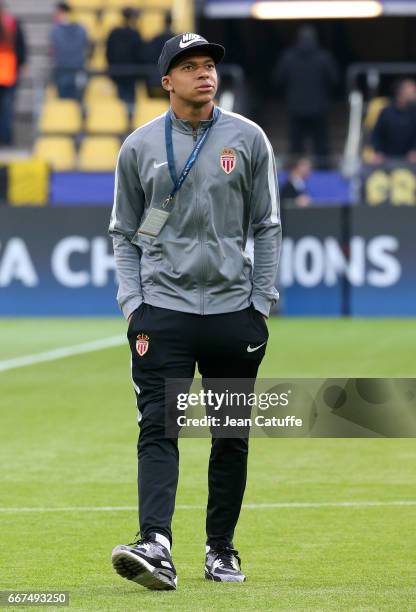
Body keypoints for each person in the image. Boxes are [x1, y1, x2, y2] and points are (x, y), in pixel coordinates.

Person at [109, 32, 281, 590]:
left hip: (235, 313)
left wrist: (261, 303)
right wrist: (134, 305)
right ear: (167, 81)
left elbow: (267, 226)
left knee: (231, 435)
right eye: (190, 67)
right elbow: (125, 234)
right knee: (159, 429)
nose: (204, 75)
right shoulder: (138, 147)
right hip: (164, 312)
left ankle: (221, 550)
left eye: (209, 66)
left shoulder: (249, 139)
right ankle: (155, 545)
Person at [274, 25, 338, 166]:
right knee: (321, 146)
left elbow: (278, 79)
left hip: (295, 107)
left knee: (296, 146)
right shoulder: (324, 57)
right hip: (319, 108)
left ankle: (295, 171)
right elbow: (334, 79)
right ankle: (323, 172)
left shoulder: (288, 57)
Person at [0, 0, 26, 145]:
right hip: (10, 72)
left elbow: (20, 47)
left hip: (9, 73)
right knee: (7, 108)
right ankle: (5, 137)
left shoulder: (12, 25)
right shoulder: (12, 24)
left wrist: (21, 63)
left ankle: (6, 138)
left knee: (7, 108)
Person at [49, 2, 88, 100]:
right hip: (75, 67)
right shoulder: (81, 29)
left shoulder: (55, 30)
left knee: (64, 102)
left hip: (64, 68)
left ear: (62, 12)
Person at [371, 79, 416, 164]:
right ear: (401, 92)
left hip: (410, 159)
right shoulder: (386, 112)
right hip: (386, 158)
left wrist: (414, 150)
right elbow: (376, 134)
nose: (415, 92)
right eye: (412, 90)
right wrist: (378, 152)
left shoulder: (414, 112)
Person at [106, 7, 143, 106]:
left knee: (121, 103)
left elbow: (108, 53)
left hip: (119, 73)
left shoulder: (114, 33)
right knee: (129, 103)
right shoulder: (135, 34)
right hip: (131, 74)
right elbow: (140, 54)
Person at [142, 11, 175, 94]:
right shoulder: (177, 39)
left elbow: (148, 56)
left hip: (157, 76)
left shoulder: (156, 38)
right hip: (172, 77)